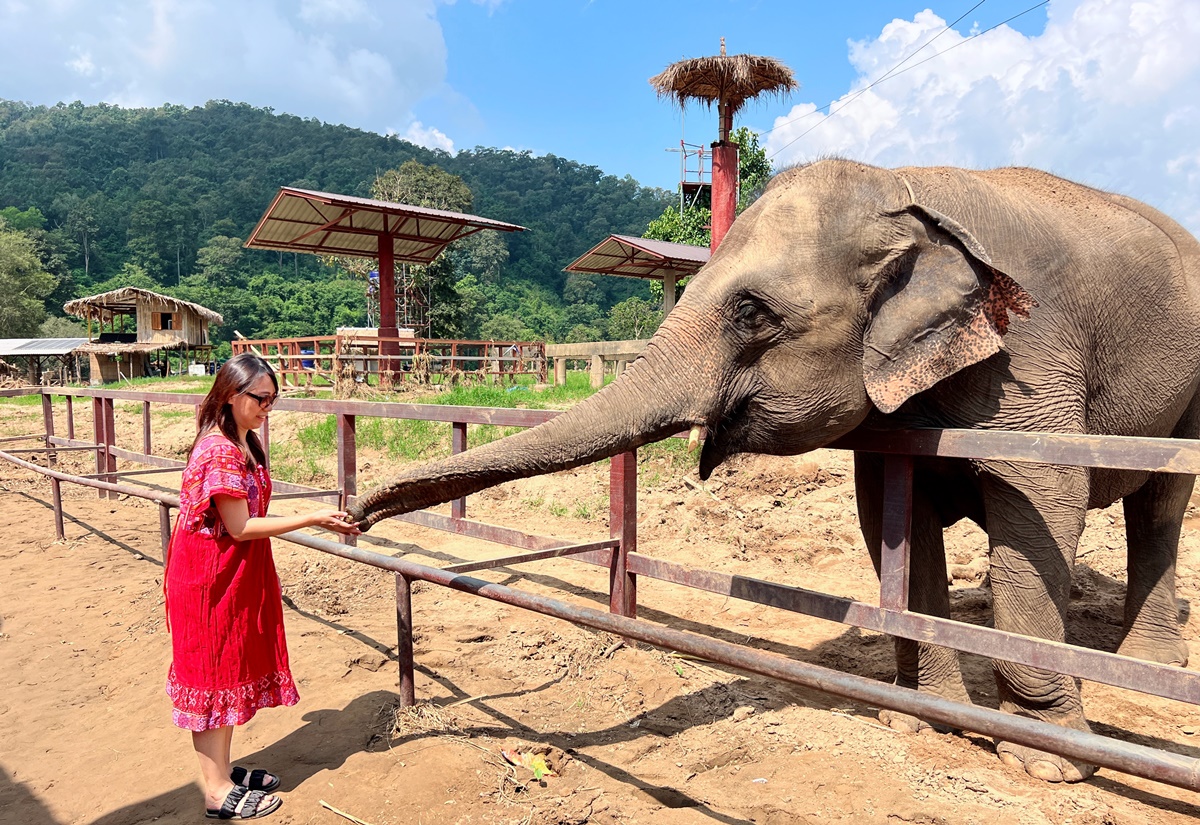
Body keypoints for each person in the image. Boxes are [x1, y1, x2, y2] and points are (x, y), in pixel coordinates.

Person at [164, 352, 360, 820]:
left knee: (228, 669)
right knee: (212, 676)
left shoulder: (244, 438)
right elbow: (238, 526)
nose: (267, 408)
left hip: (235, 571)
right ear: (232, 395)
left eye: (273, 400)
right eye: (260, 399)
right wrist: (312, 517)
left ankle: (223, 772)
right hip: (211, 576)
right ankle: (214, 791)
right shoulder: (219, 449)